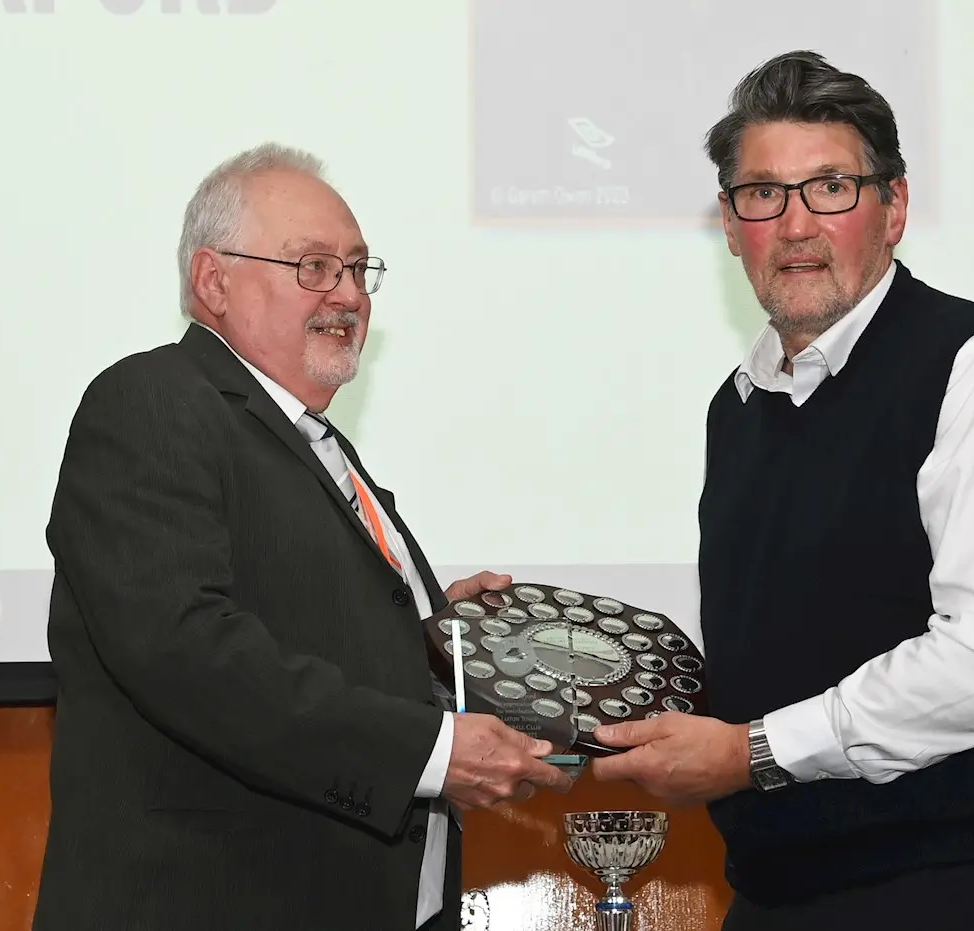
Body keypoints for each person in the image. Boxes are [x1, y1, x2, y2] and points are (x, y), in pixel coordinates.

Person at [592, 50, 974, 930]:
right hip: (771, 889)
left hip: (944, 890)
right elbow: (780, 652)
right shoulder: (736, 407)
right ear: (729, 222)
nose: (794, 225)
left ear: (893, 208)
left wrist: (749, 752)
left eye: (829, 188)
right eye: (762, 194)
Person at [32, 143, 572, 931]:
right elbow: (184, 650)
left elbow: (304, 623)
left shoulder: (316, 444)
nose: (347, 293)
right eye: (314, 267)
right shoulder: (153, 400)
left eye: (357, 269)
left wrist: (436, 638)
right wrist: (428, 751)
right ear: (213, 281)